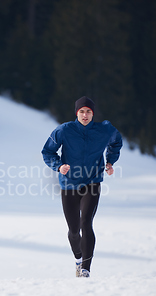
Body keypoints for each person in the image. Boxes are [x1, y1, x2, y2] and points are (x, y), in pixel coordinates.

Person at [41, 96, 122, 278]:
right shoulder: (64, 130)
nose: (85, 115)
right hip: (69, 184)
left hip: (92, 182)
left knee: (86, 222)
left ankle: (85, 269)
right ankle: (78, 258)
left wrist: (110, 161)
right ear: (76, 113)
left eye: (89, 112)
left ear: (93, 114)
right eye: (82, 111)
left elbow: (116, 142)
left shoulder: (104, 130)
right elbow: (47, 151)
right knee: (74, 230)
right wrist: (59, 166)